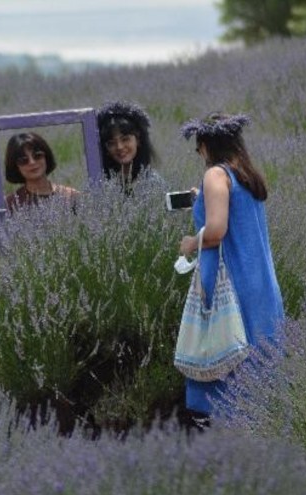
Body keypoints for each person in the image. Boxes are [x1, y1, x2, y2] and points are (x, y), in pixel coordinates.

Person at [177, 113, 284, 430]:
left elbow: (217, 230)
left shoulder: (215, 176)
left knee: (222, 359)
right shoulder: (247, 176)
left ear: (206, 145)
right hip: (260, 283)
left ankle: (221, 448)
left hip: (229, 284)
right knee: (259, 364)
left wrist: (191, 243)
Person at [3, 131, 79, 213]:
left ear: (46, 157)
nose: (32, 162)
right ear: (15, 166)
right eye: (24, 160)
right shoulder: (10, 204)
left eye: (37, 156)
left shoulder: (70, 196)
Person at [96, 100, 161, 193]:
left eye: (125, 139)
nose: (119, 147)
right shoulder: (100, 184)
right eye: (111, 143)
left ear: (138, 140)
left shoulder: (154, 183)